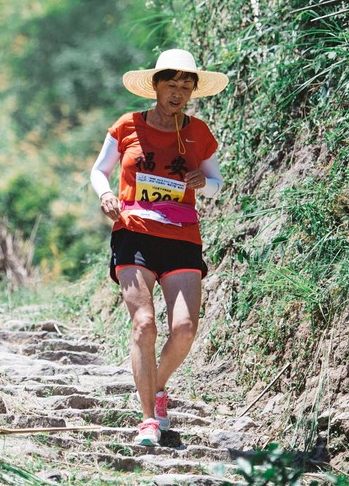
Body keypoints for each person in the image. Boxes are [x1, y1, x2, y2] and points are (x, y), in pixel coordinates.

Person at [89, 48, 228, 446]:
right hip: (133, 232)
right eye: (171, 84)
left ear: (193, 91)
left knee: (184, 330)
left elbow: (217, 184)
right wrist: (105, 195)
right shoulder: (128, 125)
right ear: (156, 86)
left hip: (182, 237)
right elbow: (99, 171)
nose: (178, 92)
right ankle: (148, 418)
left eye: (186, 85)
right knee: (144, 324)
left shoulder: (199, 133)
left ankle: (158, 385)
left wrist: (204, 183)